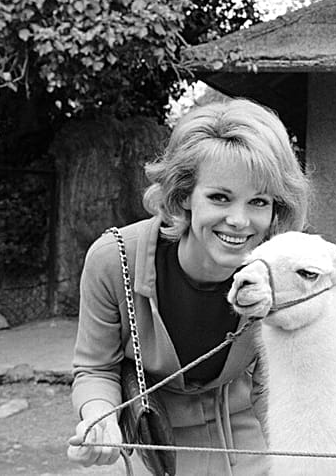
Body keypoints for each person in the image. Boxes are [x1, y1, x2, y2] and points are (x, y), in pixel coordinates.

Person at [66, 99, 311, 475]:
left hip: (243, 440)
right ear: (183, 196)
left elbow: (270, 387)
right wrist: (101, 422)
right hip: (145, 441)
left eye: (258, 202)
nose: (240, 221)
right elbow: (95, 369)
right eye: (220, 197)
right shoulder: (112, 258)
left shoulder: (281, 272)